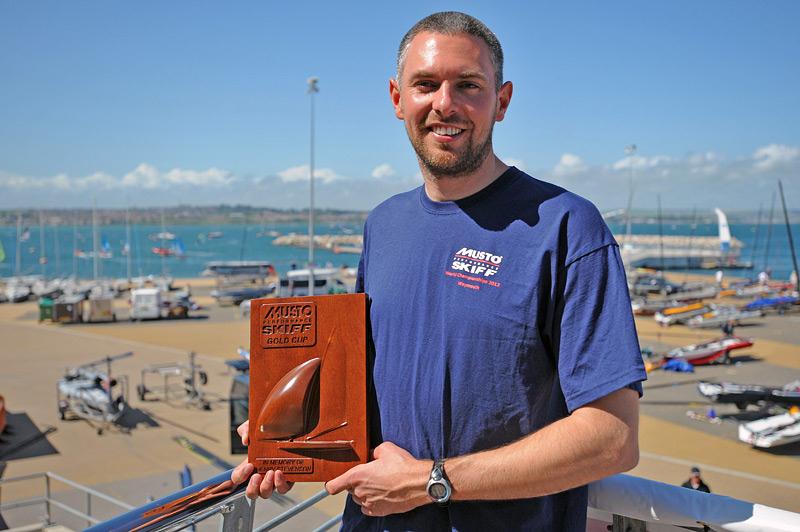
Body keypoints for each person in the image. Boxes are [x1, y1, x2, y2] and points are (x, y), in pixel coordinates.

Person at [232, 11, 646, 530]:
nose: (444, 104)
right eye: (425, 84)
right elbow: (366, 394)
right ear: (396, 98)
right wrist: (288, 444)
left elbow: (612, 438)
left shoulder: (566, 226)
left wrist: (431, 482)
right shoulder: (383, 224)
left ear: (502, 101)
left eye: (468, 85)